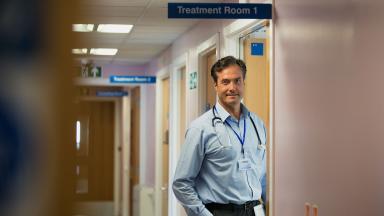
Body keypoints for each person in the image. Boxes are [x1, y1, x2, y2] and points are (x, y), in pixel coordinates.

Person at [172, 56, 267, 216]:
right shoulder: (201, 128)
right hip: (220, 211)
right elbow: (181, 184)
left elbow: (263, 175)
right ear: (215, 85)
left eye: (237, 81)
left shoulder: (257, 124)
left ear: (244, 83)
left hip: (255, 210)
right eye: (225, 82)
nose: (232, 87)